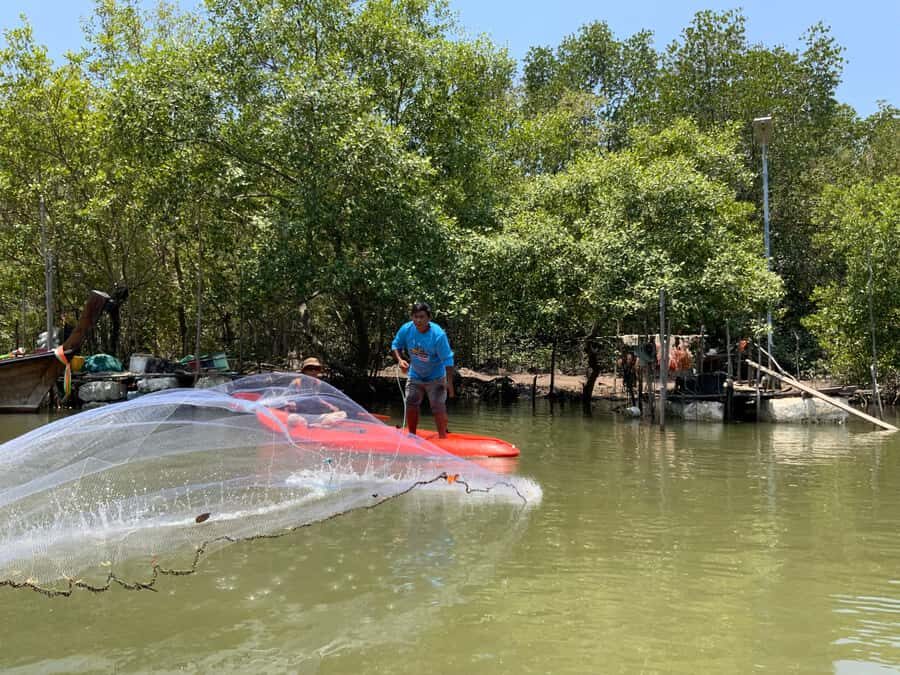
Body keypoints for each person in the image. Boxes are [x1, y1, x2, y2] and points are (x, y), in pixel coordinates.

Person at [391, 302, 455, 438]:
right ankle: (412, 436)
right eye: (415, 317)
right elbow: (395, 345)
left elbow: (448, 360)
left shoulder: (438, 335)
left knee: (437, 406)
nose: (418, 320)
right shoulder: (407, 329)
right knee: (411, 402)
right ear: (411, 317)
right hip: (415, 374)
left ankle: (443, 438)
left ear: (429, 318)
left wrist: (449, 382)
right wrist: (400, 360)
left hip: (436, 376)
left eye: (422, 317)